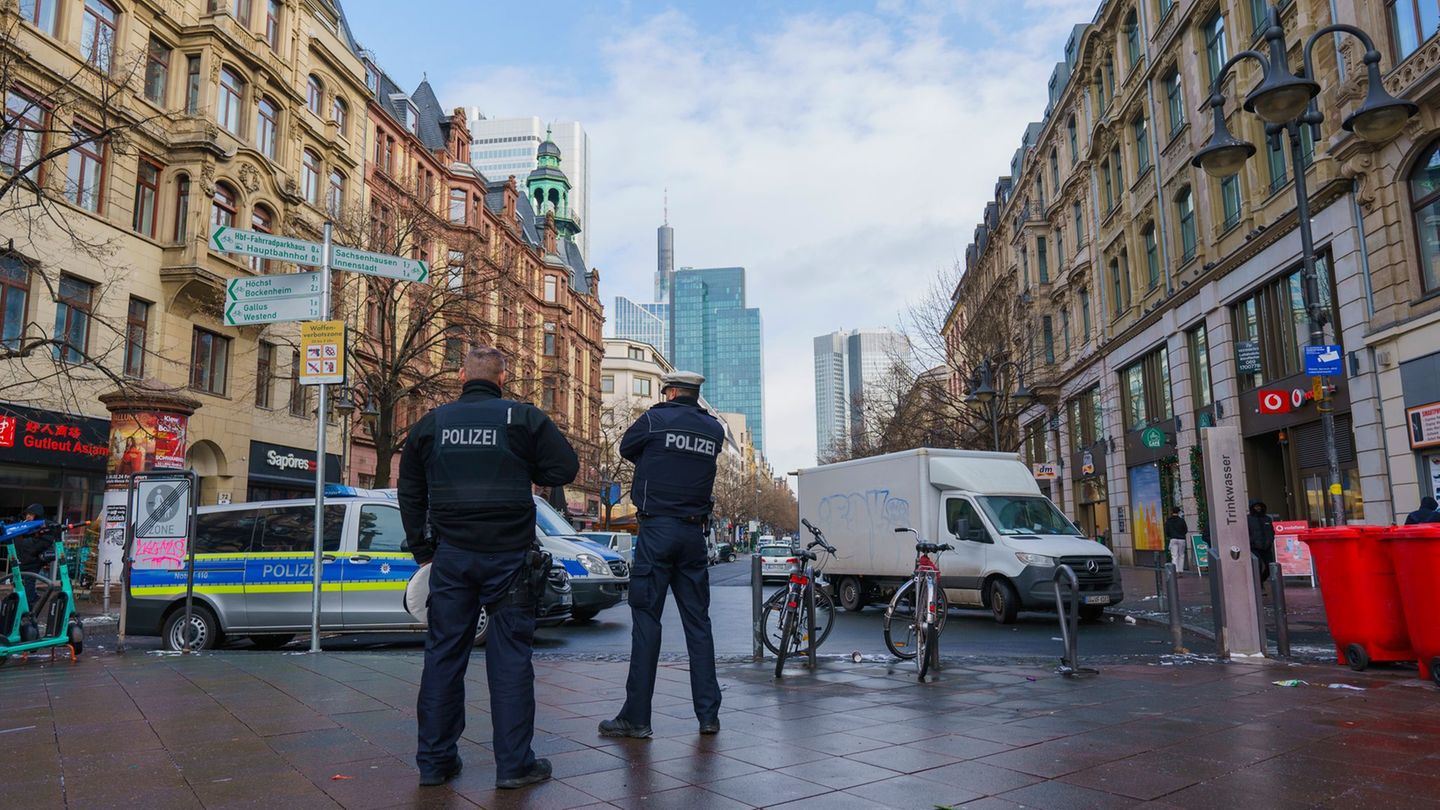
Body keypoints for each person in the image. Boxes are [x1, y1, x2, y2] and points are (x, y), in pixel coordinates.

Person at [398, 346, 578, 790]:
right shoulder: (522, 418)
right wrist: (523, 463)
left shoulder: (432, 423)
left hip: (452, 558)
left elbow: (410, 489)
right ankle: (515, 766)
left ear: (462, 376)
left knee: (443, 657)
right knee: (511, 660)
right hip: (510, 558)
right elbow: (565, 467)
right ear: (502, 378)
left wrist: (423, 550)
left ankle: (435, 763)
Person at [599, 371, 726, 740]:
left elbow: (627, 449)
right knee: (698, 625)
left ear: (670, 392)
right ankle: (708, 716)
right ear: (695, 394)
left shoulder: (654, 419)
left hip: (656, 531)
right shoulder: (713, 430)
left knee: (646, 622)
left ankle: (636, 718)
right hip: (692, 534)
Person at [13, 504, 50, 608]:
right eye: (27, 514)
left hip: (31, 560)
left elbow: (40, 544)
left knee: (28, 582)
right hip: (23, 559)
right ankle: (27, 601)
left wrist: (22, 542)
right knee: (21, 582)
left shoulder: (42, 527)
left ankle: (29, 603)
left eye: (31, 514)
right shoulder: (24, 525)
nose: (28, 516)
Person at [1247, 500, 1276, 582]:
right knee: (1257, 565)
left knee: (1271, 566)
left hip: (1266, 547)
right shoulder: (1247, 519)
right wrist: (1251, 542)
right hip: (1254, 547)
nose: (1258, 508)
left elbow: (1271, 531)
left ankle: (1260, 581)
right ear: (1252, 507)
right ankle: (1259, 585)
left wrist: (1270, 540)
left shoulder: (1267, 519)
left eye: (1259, 506)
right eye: (1256, 506)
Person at [1164, 507, 1189, 575]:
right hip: (1181, 539)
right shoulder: (1181, 520)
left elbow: (1167, 531)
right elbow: (1185, 530)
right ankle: (1181, 571)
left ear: (1172, 512)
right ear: (1178, 512)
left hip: (1173, 539)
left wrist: (1170, 535)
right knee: (1181, 555)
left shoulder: (1169, 521)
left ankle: (1176, 571)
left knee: (1174, 556)